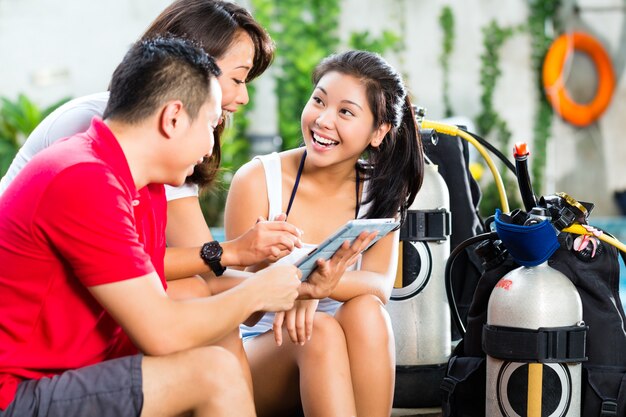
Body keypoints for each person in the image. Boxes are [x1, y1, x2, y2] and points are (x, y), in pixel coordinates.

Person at [0, 0, 307, 390]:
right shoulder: (100, 152)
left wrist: (289, 282)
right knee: (205, 343)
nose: (243, 97)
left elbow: (164, 264)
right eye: (238, 77)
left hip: (82, 316)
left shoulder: (159, 162)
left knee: (197, 300)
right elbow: (170, 300)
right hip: (36, 344)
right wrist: (249, 275)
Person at [224, 50, 425, 417]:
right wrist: (273, 274)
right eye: (318, 100)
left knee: (366, 310)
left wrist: (316, 285)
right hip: (256, 355)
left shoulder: (378, 193)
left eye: (346, 112)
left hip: (338, 356)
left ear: (378, 132)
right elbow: (239, 315)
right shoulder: (258, 180)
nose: (323, 119)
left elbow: (379, 287)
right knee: (320, 330)